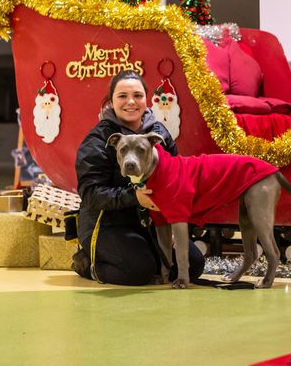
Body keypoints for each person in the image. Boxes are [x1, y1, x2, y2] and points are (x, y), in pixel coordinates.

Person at [73, 70, 205, 286]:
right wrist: (134, 197)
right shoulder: (99, 139)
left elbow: (177, 180)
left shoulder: (158, 134)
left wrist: (172, 225)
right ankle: (88, 264)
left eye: (137, 95)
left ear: (146, 99)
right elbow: (90, 194)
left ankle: (144, 254)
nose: (131, 102)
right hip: (107, 224)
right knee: (137, 272)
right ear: (111, 101)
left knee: (193, 264)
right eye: (122, 96)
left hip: (150, 223)